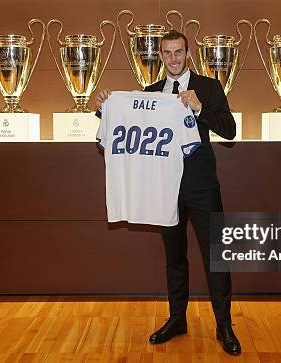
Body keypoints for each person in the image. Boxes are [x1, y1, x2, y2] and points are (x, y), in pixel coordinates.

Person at [94, 30, 240, 356]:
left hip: (202, 186)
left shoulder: (210, 87)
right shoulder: (150, 93)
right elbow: (124, 119)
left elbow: (230, 131)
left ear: (188, 54)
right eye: (167, 53)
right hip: (164, 187)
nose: (173, 59)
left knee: (216, 257)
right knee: (174, 257)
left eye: (179, 52)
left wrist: (201, 108)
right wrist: (107, 107)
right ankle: (177, 319)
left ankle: (224, 325)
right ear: (161, 56)